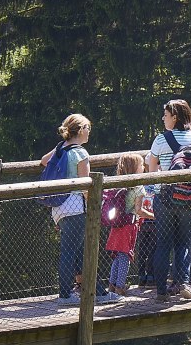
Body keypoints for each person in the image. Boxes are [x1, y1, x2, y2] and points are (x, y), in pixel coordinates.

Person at [41, 114, 122, 305]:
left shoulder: (61, 148)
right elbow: (86, 187)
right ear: (81, 130)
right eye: (87, 128)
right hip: (76, 207)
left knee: (78, 252)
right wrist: (99, 204)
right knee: (72, 252)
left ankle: (97, 292)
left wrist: (62, 144)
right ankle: (66, 295)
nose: (89, 132)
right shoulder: (81, 153)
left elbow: (44, 161)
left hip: (59, 207)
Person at [147, 100, 191, 302]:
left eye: (165, 115)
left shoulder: (160, 140)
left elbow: (151, 171)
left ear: (174, 117)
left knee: (163, 244)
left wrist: (153, 195)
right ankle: (184, 283)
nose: (163, 118)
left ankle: (160, 291)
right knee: (183, 244)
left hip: (165, 198)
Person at [106, 153, 155, 296]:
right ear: (134, 168)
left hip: (117, 225)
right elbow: (139, 210)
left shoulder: (119, 184)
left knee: (117, 256)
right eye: (141, 165)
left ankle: (112, 284)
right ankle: (120, 286)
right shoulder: (139, 188)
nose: (143, 168)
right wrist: (154, 215)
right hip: (129, 225)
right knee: (125, 256)